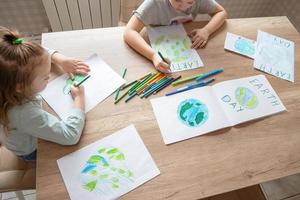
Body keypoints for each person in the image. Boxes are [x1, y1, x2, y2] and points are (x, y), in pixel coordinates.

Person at [0, 26, 90, 161]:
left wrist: (60, 59)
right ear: (20, 87)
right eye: (46, 77)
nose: (48, 78)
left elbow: (40, 53)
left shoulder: (8, 77)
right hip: (29, 150)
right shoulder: (24, 113)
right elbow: (70, 135)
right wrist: (79, 100)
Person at [123, 0, 227, 73]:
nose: (182, 7)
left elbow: (221, 12)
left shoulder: (199, 1)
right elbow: (129, 31)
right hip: (159, 46)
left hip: (186, 47)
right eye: (177, 0)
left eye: (190, 2)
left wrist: (206, 30)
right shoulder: (154, 3)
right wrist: (152, 55)